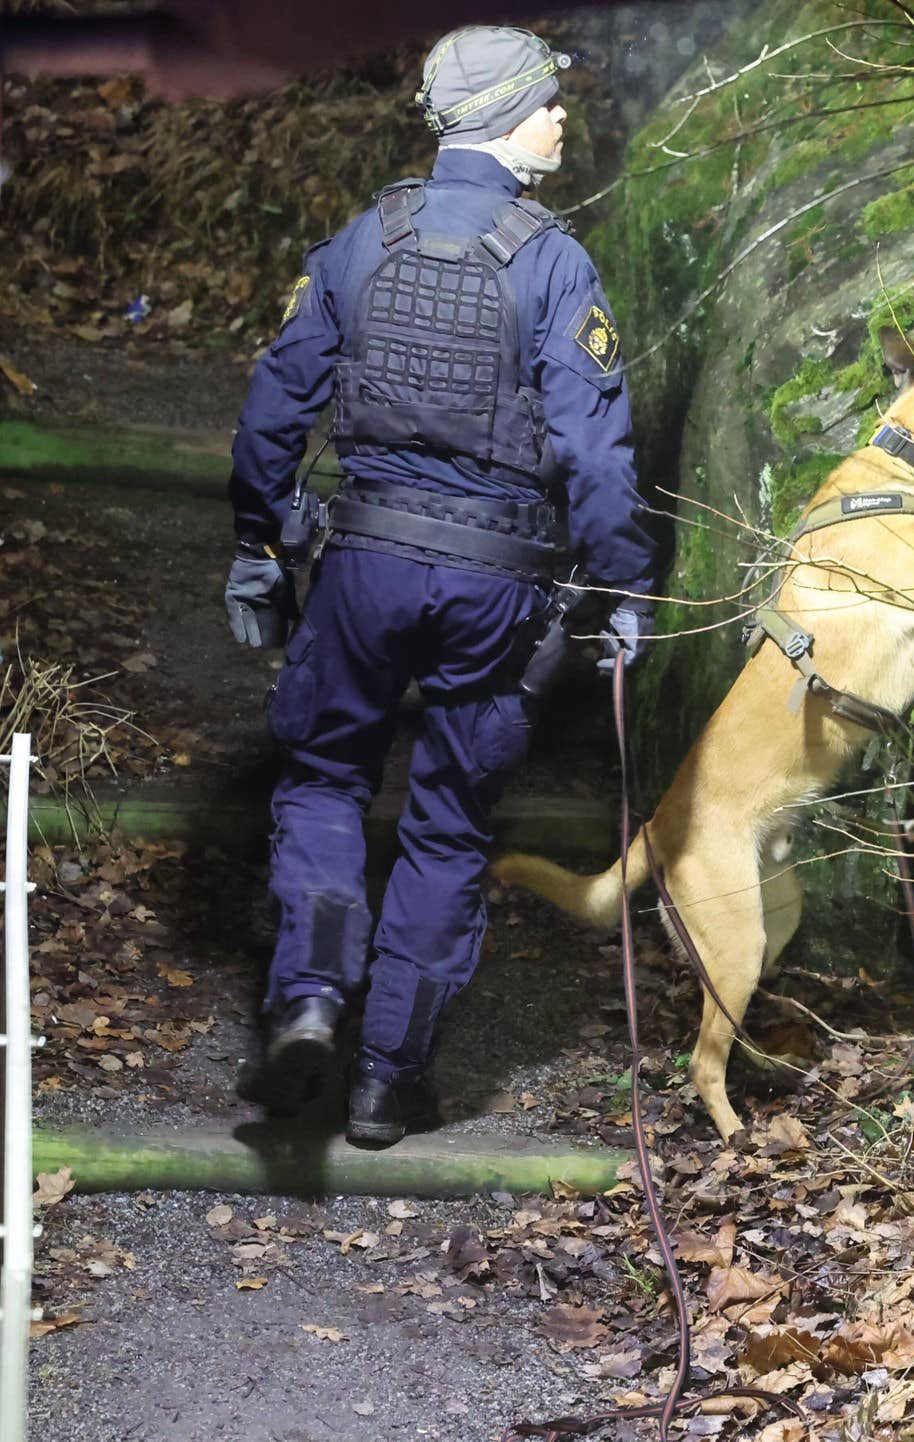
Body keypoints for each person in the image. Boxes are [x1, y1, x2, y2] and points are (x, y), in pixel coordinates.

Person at [222, 24, 661, 1145]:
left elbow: (276, 410)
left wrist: (257, 540)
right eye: (550, 100)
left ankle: (312, 997)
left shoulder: (365, 239)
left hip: (360, 565)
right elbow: (600, 460)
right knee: (451, 820)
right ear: (504, 112)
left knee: (323, 781)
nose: (566, 116)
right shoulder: (555, 262)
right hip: (496, 588)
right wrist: (621, 589)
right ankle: (386, 1080)